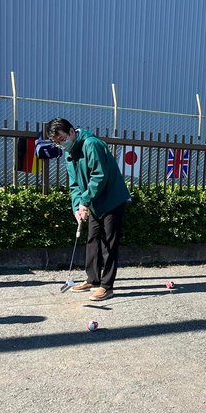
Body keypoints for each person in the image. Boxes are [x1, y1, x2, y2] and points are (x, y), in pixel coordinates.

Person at [47, 118, 130, 301]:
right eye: (56, 142)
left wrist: (85, 201)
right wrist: (77, 207)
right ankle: (93, 279)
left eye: (62, 139)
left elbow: (99, 176)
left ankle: (106, 286)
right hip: (94, 201)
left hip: (112, 199)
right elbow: (74, 184)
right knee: (92, 238)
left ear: (71, 132)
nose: (61, 144)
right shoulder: (69, 153)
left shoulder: (91, 144)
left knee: (109, 243)